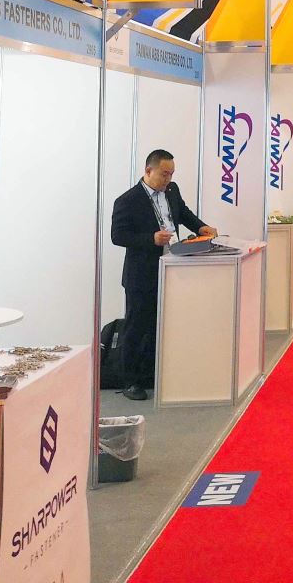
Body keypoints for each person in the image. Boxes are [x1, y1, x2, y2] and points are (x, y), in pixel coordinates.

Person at [110, 149, 215, 400]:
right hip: (141, 274)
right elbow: (118, 236)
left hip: (172, 267)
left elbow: (183, 212)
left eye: (171, 174)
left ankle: (152, 374)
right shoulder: (127, 200)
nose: (168, 179)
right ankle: (130, 380)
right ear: (149, 171)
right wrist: (151, 239)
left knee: (162, 325)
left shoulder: (172, 190)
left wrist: (201, 226)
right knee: (137, 326)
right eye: (164, 174)